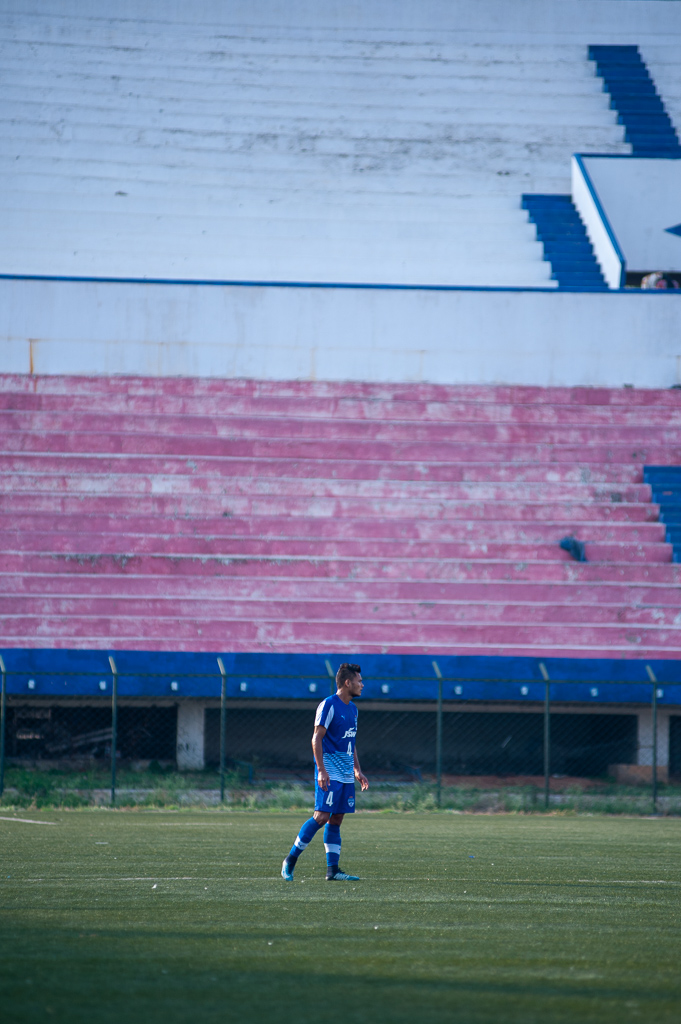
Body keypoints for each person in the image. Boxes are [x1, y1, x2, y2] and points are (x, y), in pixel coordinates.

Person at [281, 662, 369, 881]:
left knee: (336, 819)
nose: (362, 685)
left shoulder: (353, 709)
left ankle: (333, 871)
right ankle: (290, 860)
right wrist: (321, 770)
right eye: (359, 681)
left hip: (346, 773)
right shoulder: (328, 705)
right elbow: (316, 738)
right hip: (329, 770)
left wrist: (357, 770)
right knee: (321, 816)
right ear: (347, 683)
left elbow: (351, 741)